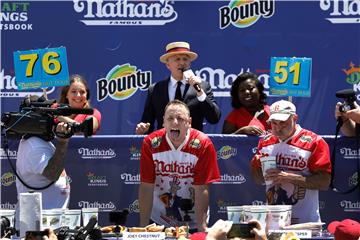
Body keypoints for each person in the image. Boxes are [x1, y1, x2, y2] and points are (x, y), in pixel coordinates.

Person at [138, 100, 220, 232]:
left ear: (189, 122)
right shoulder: (150, 143)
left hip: (194, 221)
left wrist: (202, 228)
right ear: (163, 121)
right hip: (159, 219)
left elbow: (201, 188)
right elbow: (146, 186)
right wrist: (142, 228)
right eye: (170, 118)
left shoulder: (203, 143)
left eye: (180, 118)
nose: (175, 122)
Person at [250, 100, 331, 224]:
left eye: (283, 123)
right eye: (273, 123)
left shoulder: (314, 142)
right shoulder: (265, 141)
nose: (278, 128)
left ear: (295, 118)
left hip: (305, 222)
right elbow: (259, 180)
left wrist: (288, 177)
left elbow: (324, 182)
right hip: (274, 222)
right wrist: (255, 166)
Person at [136, 41, 221, 135]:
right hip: (164, 145)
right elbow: (148, 122)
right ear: (168, 64)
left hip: (193, 145)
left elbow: (214, 118)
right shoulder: (156, 89)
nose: (182, 63)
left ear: (190, 63)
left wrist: (199, 92)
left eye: (185, 59)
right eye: (177, 59)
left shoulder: (202, 86)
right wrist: (143, 129)